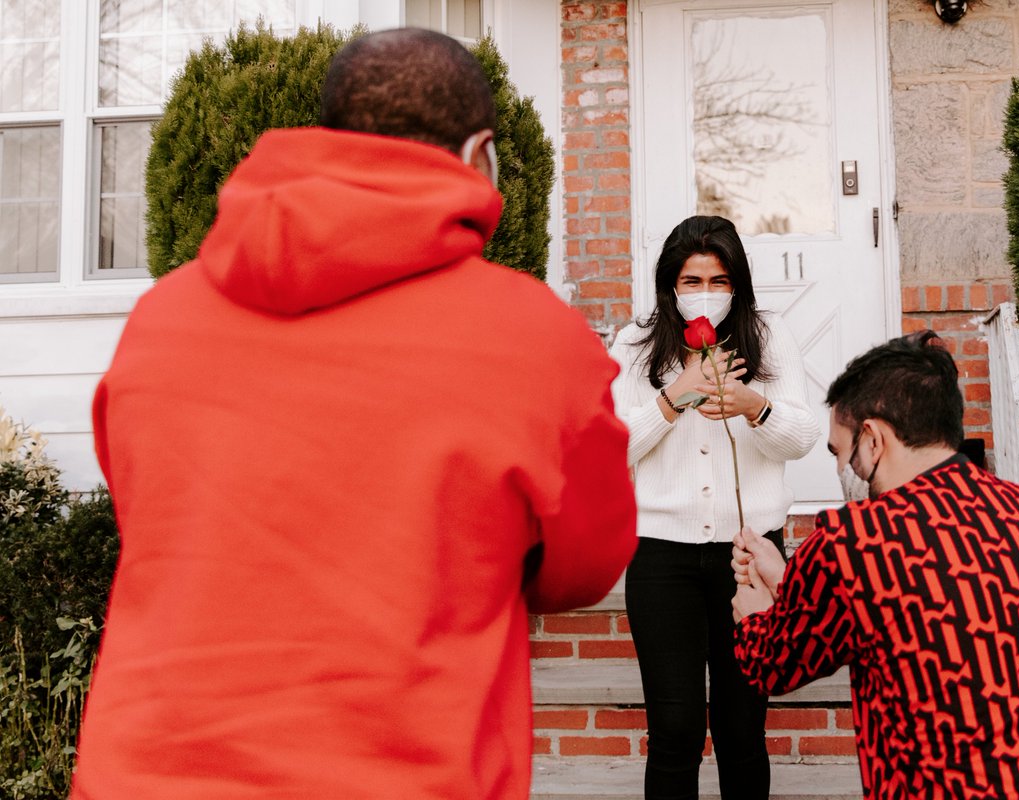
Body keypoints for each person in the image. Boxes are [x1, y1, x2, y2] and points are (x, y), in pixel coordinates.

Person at [72, 29, 637, 800]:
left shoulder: (158, 323)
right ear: (480, 156)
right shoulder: (538, 340)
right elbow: (584, 566)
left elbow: (153, 517)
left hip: (147, 775)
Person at [730, 330, 1019, 799]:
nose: (840, 472)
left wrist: (755, 607)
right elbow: (940, 608)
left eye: (840, 452)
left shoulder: (853, 539)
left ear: (873, 438)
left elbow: (773, 664)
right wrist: (791, 581)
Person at [609, 215, 820, 800]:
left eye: (719, 280)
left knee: (741, 726)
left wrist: (753, 405)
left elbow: (802, 436)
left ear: (738, 284)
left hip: (748, 558)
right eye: (692, 279)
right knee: (675, 729)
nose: (706, 292)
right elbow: (611, 446)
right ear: (670, 285)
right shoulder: (634, 343)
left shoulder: (768, 336)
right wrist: (677, 396)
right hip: (661, 559)